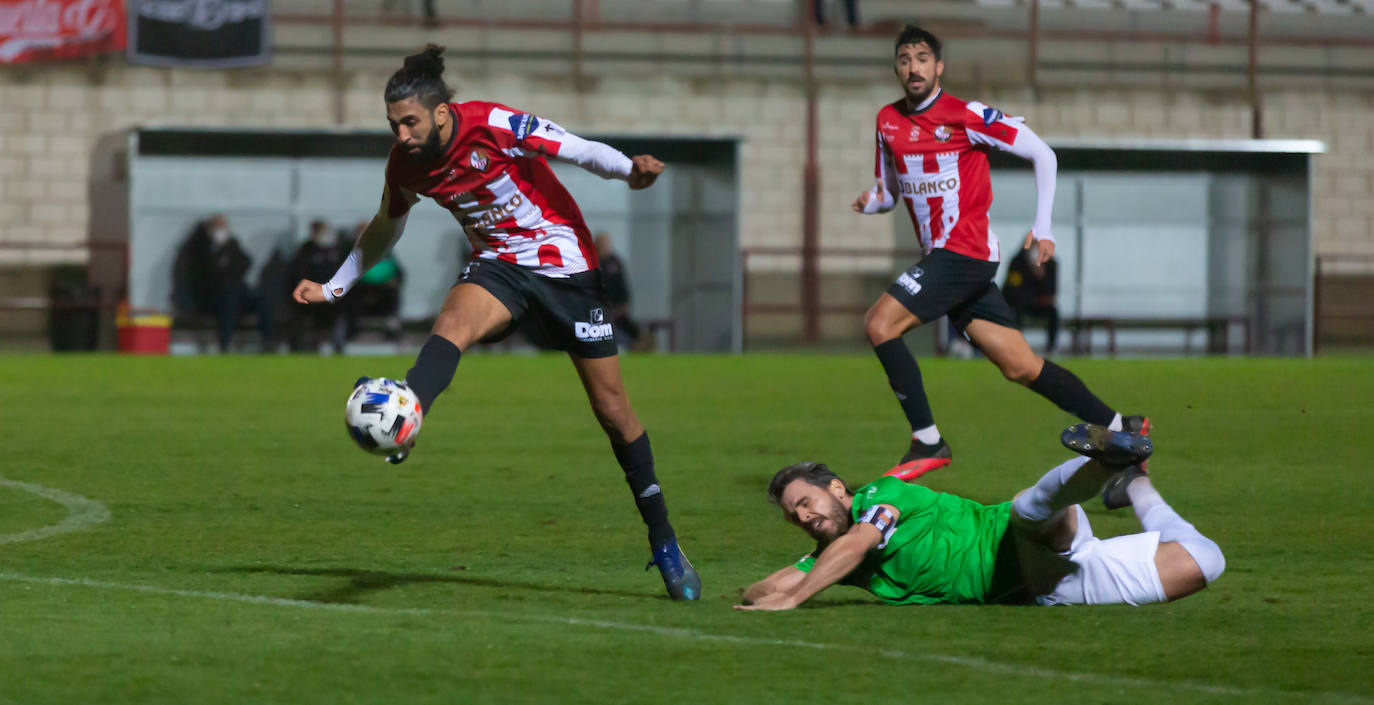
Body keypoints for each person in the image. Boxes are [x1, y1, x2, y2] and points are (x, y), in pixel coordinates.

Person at [290, 45, 700, 601]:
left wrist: (629, 171)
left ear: (440, 113)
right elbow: (385, 227)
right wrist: (334, 285)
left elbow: (573, 148)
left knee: (613, 412)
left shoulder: (493, 124)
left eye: (409, 121)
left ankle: (664, 541)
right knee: (451, 325)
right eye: (393, 124)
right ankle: (406, 416)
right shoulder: (404, 163)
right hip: (499, 265)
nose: (401, 134)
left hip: (565, 265)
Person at [852, 24, 1143, 481]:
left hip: (964, 252)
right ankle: (1121, 430)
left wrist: (1042, 226)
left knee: (879, 323)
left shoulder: (966, 115)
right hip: (948, 259)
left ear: (939, 66)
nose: (914, 67)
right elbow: (889, 192)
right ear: (896, 67)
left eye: (923, 58)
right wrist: (872, 202)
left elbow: (1043, 155)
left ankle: (927, 440)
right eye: (905, 58)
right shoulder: (887, 121)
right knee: (1020, 366)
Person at [737, 424, 1224, 610]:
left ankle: (1100, 463)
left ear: (838, 490)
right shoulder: (830, 557)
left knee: (1029, 510)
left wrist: (798, 596)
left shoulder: (880, 497)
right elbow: (763, 586)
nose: (802, 517)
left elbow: (862, 541)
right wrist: (763, 594)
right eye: (792, 516)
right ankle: (1134, 480)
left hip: (1016, 540)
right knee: (1206, 562)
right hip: (1049, 590)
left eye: (806, 503)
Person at [174, 214, 273, 352]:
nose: (222, 231)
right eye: (218, 227)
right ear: (210, 230)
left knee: (260, 299)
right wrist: (223, 266)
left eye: (224, 227)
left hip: (237, 293)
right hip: (211, 298)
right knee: (229, 301)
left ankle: (268, 342)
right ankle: (224, 345)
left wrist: (225, 263)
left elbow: (245, 263)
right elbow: (207, 274)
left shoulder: (232, 245)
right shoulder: (200, 249)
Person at [288, 219, 349, 353]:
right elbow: (297, 274)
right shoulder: (306, 250)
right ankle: (305, 343)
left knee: (344, 305)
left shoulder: (338, 250)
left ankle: (338, 342)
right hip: (312, 295)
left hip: (334, 295)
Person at [1003, 247, 1060, 354]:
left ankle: (1051, 348)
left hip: (1040, 304)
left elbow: (1052, 291)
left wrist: (1041, 277)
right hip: (1022, 303)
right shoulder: (1017, 262)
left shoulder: (1051, 263)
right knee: (1015, 313)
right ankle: (1016, 346)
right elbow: (1011, 290)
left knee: (1053, 312)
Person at [594, 233, 641, 348]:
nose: (606, 247)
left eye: (607, 243)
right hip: (597, 313)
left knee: (634, 331)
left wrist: (620, 309)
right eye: (602, 244)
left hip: (617, 312)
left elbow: (623, 290)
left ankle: (638, 347)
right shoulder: (591, 263)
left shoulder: (615, 262)